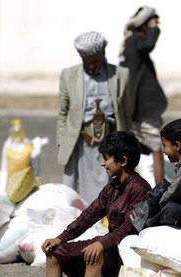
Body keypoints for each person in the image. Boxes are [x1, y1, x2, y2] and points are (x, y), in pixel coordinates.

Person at [17, 131, 151, 277]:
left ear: (122, 160)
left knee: (94, 252)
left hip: (123, 252)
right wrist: (61, 237)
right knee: (54, 252)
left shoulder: (140, 188)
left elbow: (131, 227)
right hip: (108, 245)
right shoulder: (112, 187)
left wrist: (102, 243)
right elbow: (89, 215)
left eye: (106, 158)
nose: (102, 164)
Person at [56, 31, 132, 203]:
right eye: (87, 62)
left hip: (111, 141)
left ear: (103, 53)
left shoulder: (120, 75)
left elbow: (126, 111)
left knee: (111, 185)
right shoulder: (69, 75)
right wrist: (62, 140)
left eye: (95, 61)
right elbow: (63, 112)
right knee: (76, 187)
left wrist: (128, 140)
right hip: (80, 141)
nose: (91, 66)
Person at [120, 6, 168, 185]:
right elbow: (148, 45)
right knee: (156, 148)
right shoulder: (135, 41)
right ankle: (159, 190)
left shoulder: (131, 41)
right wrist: (154, 27)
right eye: (151, 22)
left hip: (138, 106)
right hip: (140, 106)